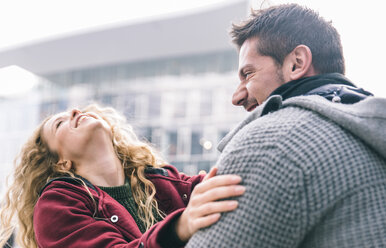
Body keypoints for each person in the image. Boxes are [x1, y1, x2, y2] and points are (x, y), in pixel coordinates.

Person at [186, 3, 386, 248]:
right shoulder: (370, 133)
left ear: (297, 63)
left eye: (248, 74)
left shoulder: (272, 144)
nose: (236, 97)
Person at [0, 104, 245, 248]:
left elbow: (235, 186)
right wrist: (179, 228)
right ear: (61, 162)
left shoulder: (160, 180)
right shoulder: (56, 207)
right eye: (59, 123)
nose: (75, 110)